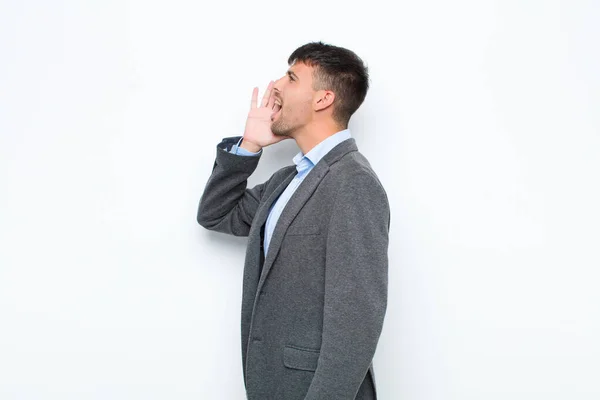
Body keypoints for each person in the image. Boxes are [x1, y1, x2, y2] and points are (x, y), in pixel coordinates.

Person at [197, 41, 390, 400]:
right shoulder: (288, 180)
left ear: (322, 99)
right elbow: (215, 214)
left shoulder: (353, 182)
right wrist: (249, 146)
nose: (275, 86)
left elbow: (356, 324)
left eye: (291, 77)